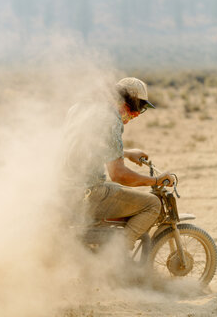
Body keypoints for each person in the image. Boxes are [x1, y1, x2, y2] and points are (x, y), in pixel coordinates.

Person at [62, 77, 174, 249]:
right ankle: (120, 261)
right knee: (152, 204)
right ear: (123, 101)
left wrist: (127, 153)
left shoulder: (80, 108)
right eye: (137, 106)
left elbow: (86, 147)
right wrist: (156, 180)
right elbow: (119, 175)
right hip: (86, 193)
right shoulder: (111, 118)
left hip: (62, 190)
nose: (137, 114)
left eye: (141, 109)